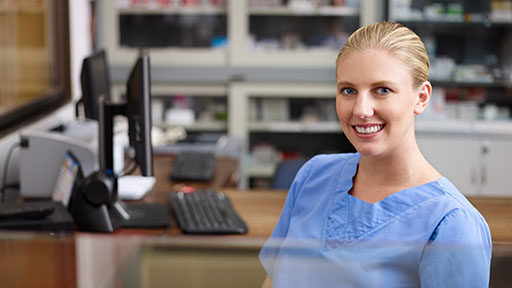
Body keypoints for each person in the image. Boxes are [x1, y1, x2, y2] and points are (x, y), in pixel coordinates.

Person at [259, 22, 492, 288]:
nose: (361, 110)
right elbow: (273, 279)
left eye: (382, 90)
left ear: (421, 98)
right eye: (349, 90)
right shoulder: (314, 175)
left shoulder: (451, 224)